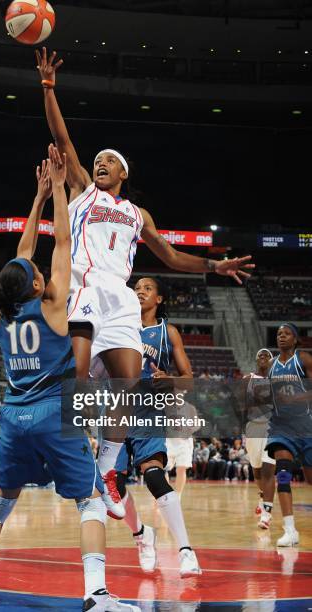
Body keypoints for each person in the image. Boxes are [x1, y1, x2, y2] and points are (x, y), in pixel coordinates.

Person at [36, 48, 255, 500]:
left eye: (108, 161)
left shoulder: (138, 214)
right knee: (74, 385)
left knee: (130, 392)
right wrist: (49, 88)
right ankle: (71, 458)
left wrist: (215, 265)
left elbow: (173, 258)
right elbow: (63, 136)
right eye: (97, 160)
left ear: (123, 172)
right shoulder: (82, 192)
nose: (100, 163)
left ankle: (107, 469)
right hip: (84, 288)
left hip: (120, 298)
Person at [0, 146, 140, 612]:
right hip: (55, 416)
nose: (40, 270)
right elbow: (62, 243)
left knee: (0, 504)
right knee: (92, 505)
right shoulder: (54, 307)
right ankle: (96, 594)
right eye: (38, 274)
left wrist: (34, 200)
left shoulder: (5, 315)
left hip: (13, 416)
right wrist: (56, 190)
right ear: (38, 286)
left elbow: (21, 258)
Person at [115, 277, 200, 575]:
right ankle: (142, 534)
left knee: (153, 474)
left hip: (148, 411)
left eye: (148, 288)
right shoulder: (117, 324)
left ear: (159, 299)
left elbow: (188, 378)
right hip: (113, 409)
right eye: (137, 287)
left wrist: (171, 380)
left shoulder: (168, 332)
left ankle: (186, 550)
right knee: (112, 486)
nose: (140, 291)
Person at [265, 323, 312, 547]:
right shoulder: (272, 365)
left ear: (295, 339)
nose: (281, 337)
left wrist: (295, 399)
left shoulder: (303, 359)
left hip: (305, 426)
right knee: (282, 473)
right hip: (281, 427)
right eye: (278, 334)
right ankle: (290, 529)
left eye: (286, 334)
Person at [243, 349, 276, 529]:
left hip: (272, 427)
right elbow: (241, 406)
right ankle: (263, 496)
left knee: (268, 471)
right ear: (256, 361)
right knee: (257, 472)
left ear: (271, 361)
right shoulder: (248, 379)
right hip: (253, 427)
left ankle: (266, 514)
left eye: (267, 356)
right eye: (260, 356)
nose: (263, 358)